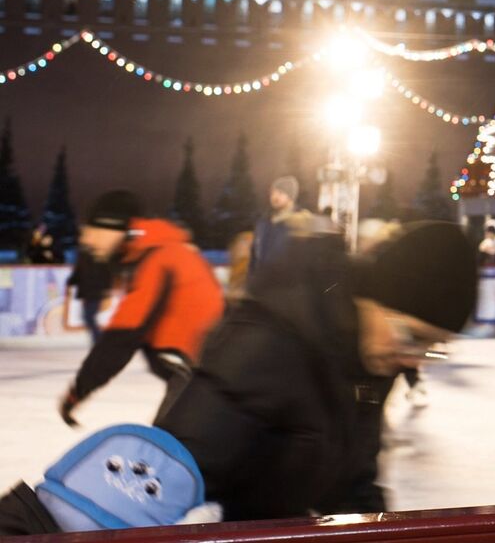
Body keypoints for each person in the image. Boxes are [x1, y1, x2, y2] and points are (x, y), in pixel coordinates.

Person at [153, 221, 475, 519]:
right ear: (373, 300)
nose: (413, 359)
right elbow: (166, 482)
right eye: (412, 337)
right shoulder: (267, 344)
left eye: (432, 348)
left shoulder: (367, 364)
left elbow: (353, 483)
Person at [59, 191, 224, 427]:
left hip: (200, 374)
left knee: (163, 450)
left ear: (120, 229)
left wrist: (77, 393)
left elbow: (121, 338)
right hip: (203, 373)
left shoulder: (159, 260)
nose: (88, 241)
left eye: (96, 231)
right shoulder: (160, 252)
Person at [249, 175, 307, 278]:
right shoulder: (263, 222)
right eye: (272, 193)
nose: (274, 197)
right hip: (262, 285)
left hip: (287, 287)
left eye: (280, 193)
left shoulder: (301, 221)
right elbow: (254, 257)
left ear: (290, 196)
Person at [66, 243, 115, 342]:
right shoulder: (94, 257)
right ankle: (99, 339)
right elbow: (78, 273)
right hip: (91, 291)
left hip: (93, 291)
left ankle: (99, 340)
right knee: (89, 317)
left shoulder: (89, 258)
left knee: (89, 317)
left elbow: (78, 272)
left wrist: (70, 282)